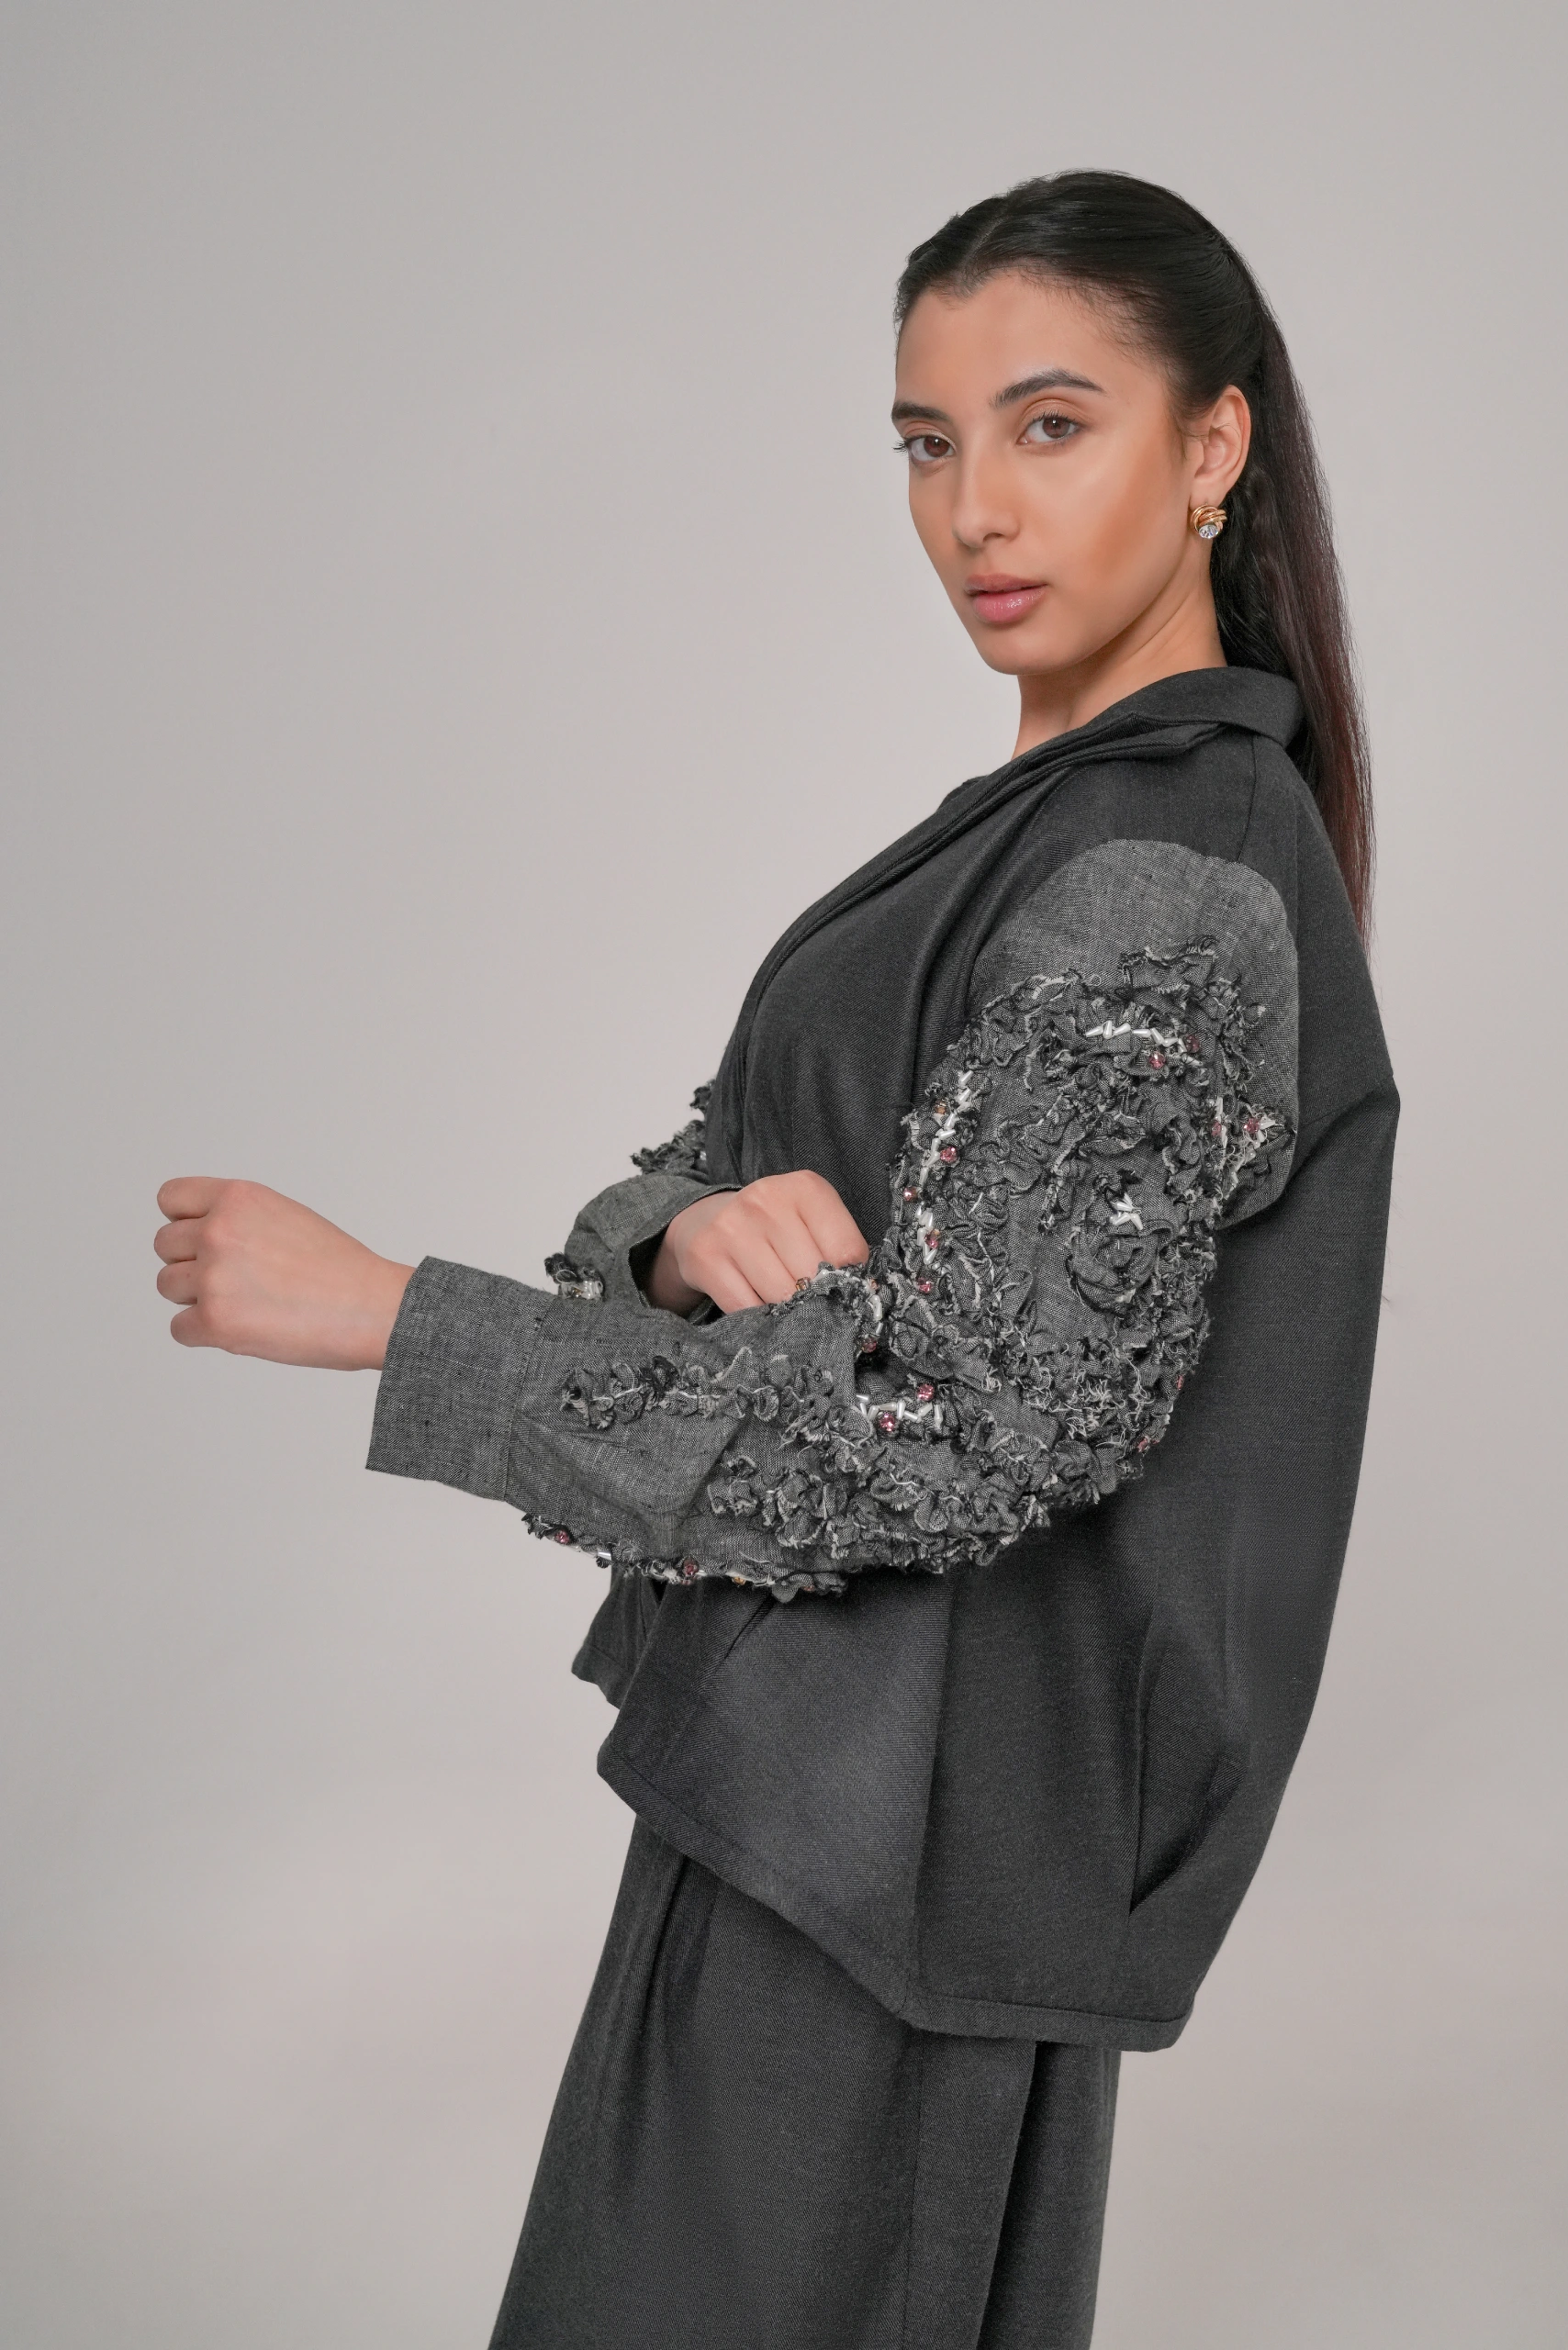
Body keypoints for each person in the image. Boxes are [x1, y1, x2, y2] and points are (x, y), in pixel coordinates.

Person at [152, 171, 1397, 2350]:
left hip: (905, 1869)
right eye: (927, 442)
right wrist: (682, 1236)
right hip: (824, 1811)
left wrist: (393, 1321)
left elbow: (962, 1432)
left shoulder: (1165, 870)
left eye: (1050, 424)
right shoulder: (1057, 829)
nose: (972, 508)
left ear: (1214, 444)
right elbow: (709, 1181)